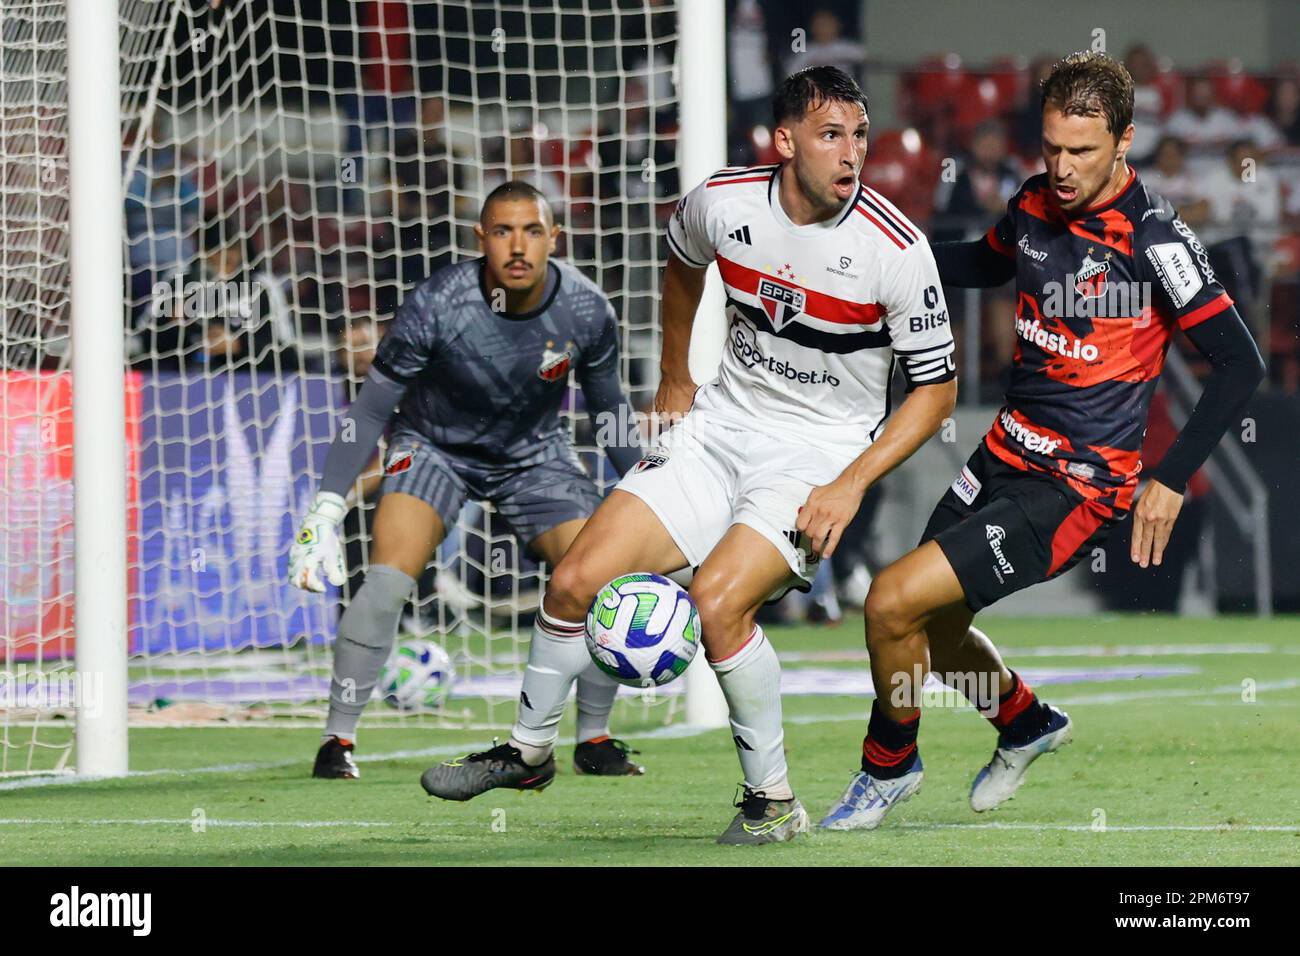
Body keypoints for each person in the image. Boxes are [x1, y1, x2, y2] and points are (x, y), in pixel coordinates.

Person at [422, 66, 958, 844]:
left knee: (717, 602)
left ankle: (772, 802)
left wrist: (850, 482)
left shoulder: (895, 249)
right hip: (715, 432)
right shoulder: (722, 200)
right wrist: (676, 376)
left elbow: (936, 393)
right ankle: (529, 751)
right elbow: (682, 265)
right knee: (573, 580)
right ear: (783, 141)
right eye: (830, 135)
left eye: (860, 137)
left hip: (812, 459)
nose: (852, 154)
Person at [818, 51, 1265, 831]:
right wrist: (889, 261)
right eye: (1051, 147)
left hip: (1075, 487)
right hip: (1001, 454)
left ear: (1123, 141)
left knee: (890, 600)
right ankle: (1024, 722)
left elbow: (1239, 363)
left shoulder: (1154, 237)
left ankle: (888, 766)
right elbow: (982, 264)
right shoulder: (1032, 203)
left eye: (1082, 151)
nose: (1060, 167)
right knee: (930, 625)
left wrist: (1169, 475)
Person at [289, 181, 646, 782]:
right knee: (384, 582)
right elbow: (373, 410)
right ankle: (337, 739)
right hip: (432, 448)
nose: (518, 246)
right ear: (481, 239)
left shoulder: (587, 311)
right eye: (502, 231)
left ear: (553, 238)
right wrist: (326, 507)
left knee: (600, 578)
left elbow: (611, 411)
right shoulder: (437, 304)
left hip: (535, 453)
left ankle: (594, 737)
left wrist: (645, 492)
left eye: (532, 231)